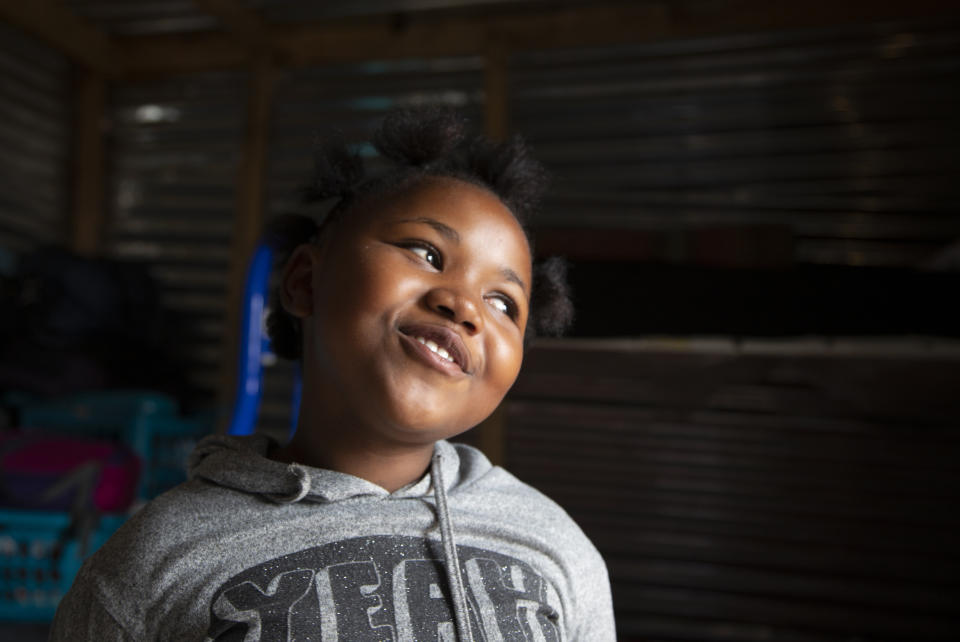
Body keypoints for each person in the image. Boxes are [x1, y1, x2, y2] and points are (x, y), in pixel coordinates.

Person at [49, 108, 616, 641]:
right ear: (303, 282)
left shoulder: (554, 545)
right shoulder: (153, 563)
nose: (465, 305)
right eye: (425, 252)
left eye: (503, 303)